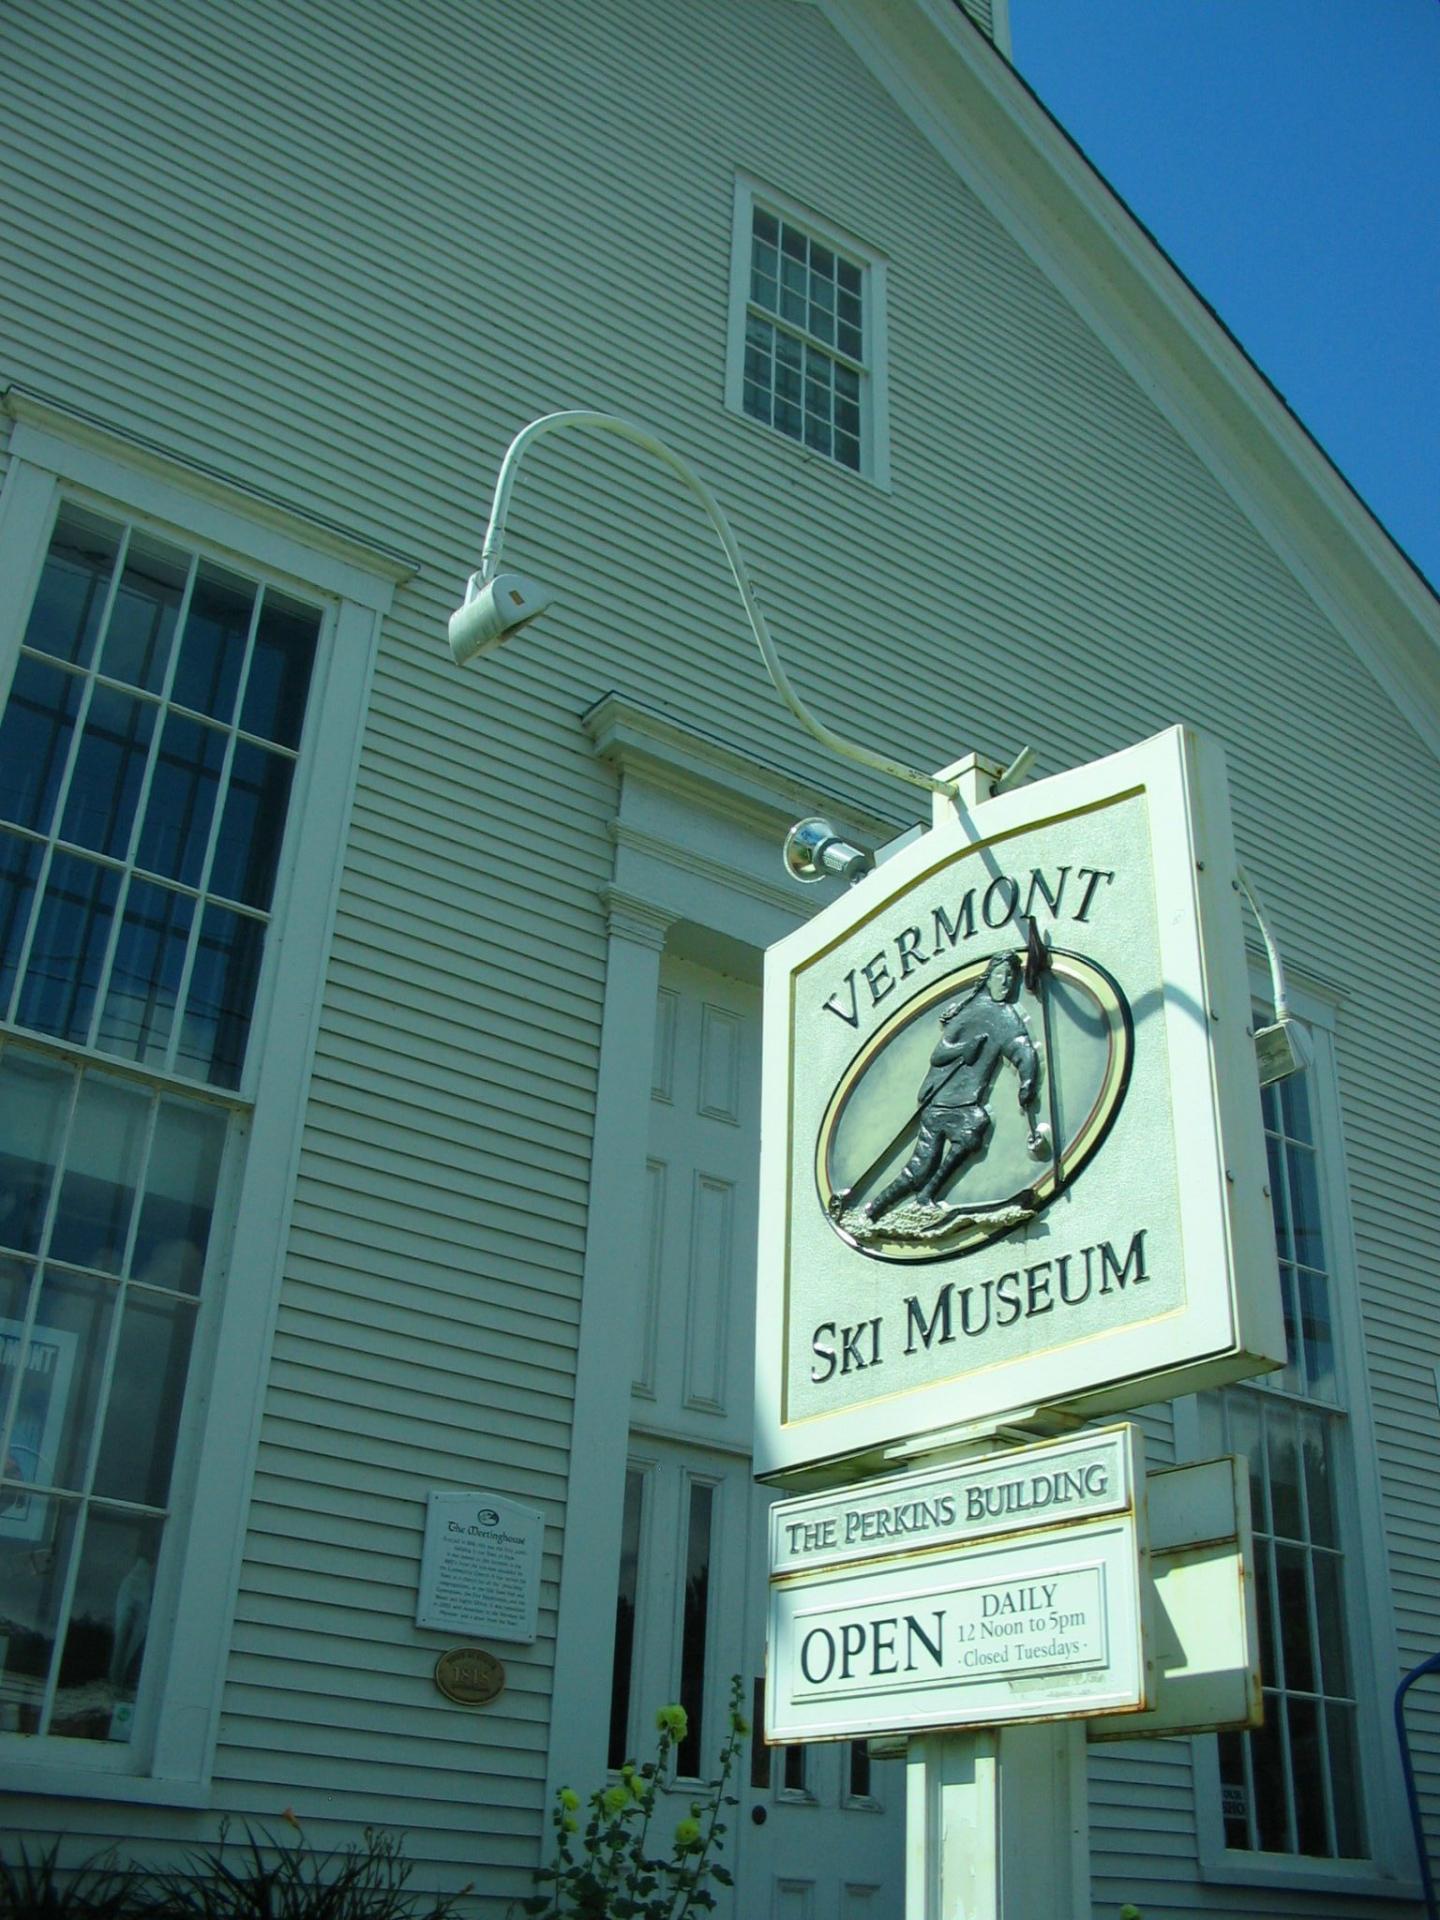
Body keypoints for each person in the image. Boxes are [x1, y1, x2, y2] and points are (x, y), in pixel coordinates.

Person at [864, 951, 1039, 1221]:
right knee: (919, 1169)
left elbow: (1021, 1048)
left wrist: (1027, 1080)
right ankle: (874, 1209)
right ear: (988, 977)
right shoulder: (968, 1013)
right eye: (1000, 975)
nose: (1006, 983)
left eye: (1011, 978)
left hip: (966, 1103)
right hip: (940, 1099)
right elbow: (939, 1054)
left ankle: (927, 1196)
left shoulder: (1005, 1017)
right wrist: (964, 1049)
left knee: (973, 1129)